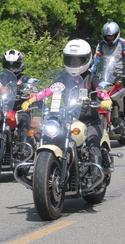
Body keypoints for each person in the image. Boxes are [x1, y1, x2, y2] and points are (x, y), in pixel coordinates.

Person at [21, 39, 112, 182]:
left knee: (93, 142)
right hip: (67, 119)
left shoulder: (91, 78)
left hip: (89, 120)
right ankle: (44, 170)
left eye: (78, 60)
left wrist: (106, 99)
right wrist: (32, 99)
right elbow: (49, 90)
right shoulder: (63, 78)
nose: (74, 64)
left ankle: (95, 173)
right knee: (51, 136)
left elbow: (101, 90)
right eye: (71, 60)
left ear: (87, 59)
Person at [92, 21, 125, 132]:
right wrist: (91, 71)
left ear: (117, 34)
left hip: (121, 75)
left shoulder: (123, 43)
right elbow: (96, 60)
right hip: (106, 75)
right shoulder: (101, 44)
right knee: (95, 97)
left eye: (112, 36)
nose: (110, 38)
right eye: (108, 36)